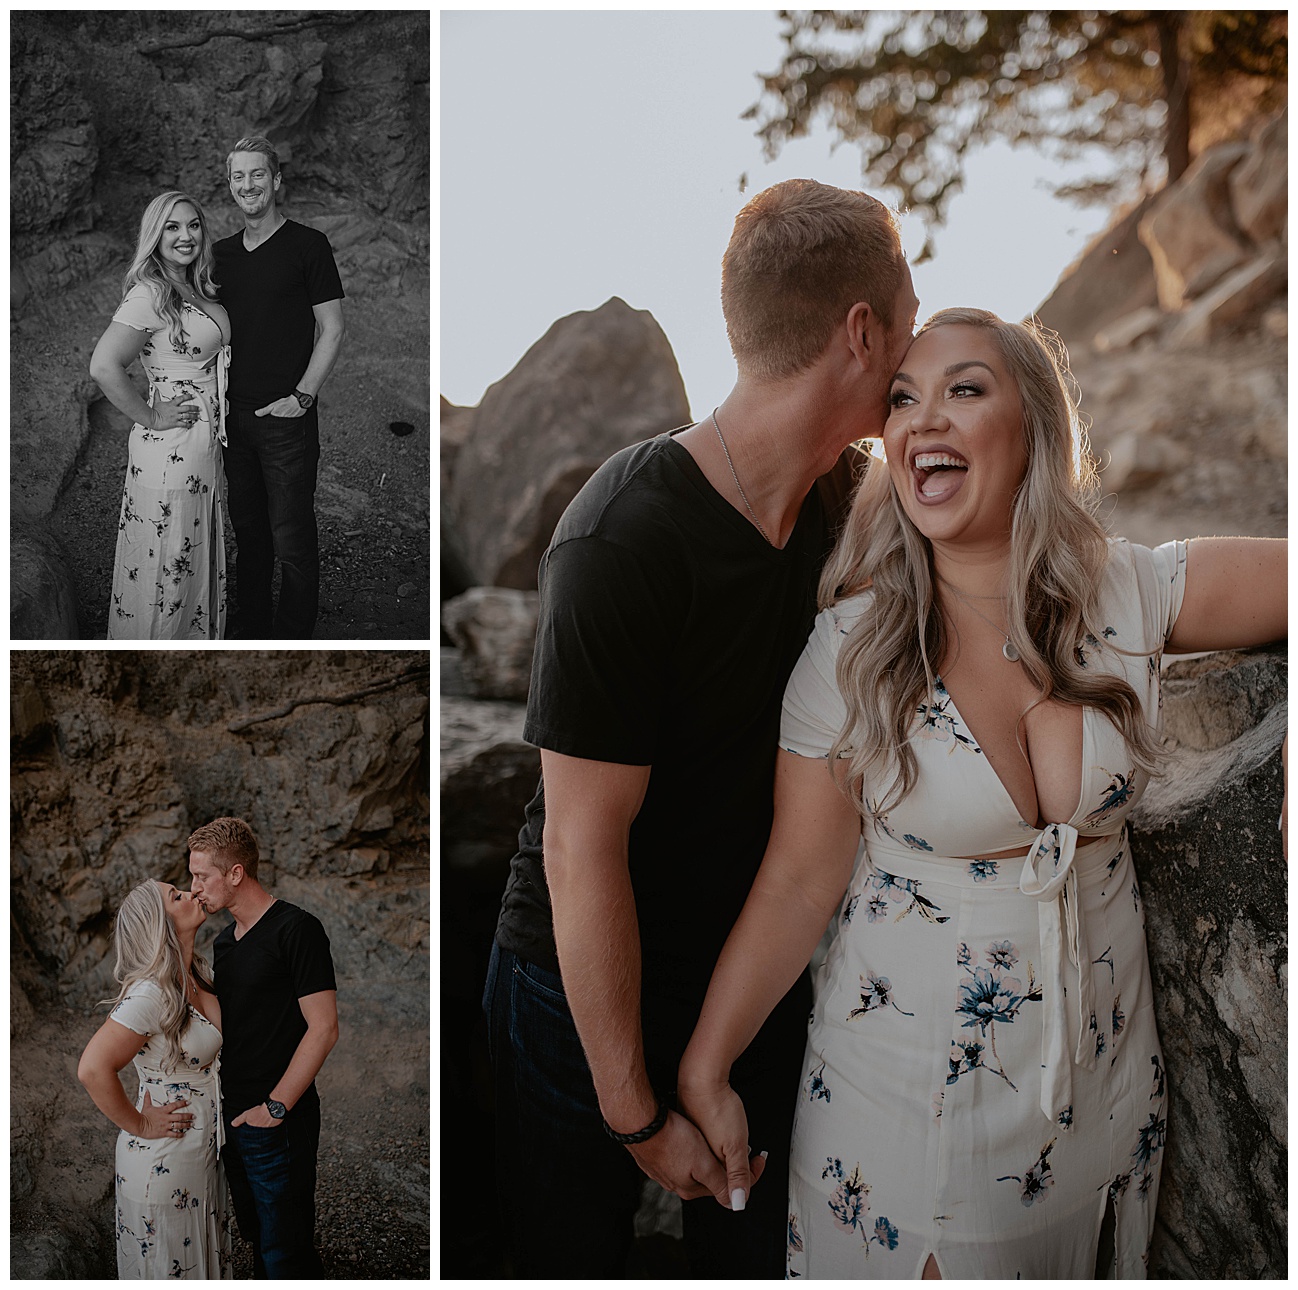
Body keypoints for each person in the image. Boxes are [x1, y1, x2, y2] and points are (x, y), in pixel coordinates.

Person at [677, 308, 1288, 1279]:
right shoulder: (852, 652)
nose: (924, 419)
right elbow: (796, 884)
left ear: (1034, 428)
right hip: (909, 1108)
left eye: (963, 389)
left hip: (1104, 1088)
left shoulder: (1126, 591)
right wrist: (702, 1068)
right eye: (903, 401)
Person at [484, 178, 920, 1277]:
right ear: (859, 333)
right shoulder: (622, 538)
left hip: (747, 978)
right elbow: (581, 851)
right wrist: (635, 1116)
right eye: (905, 324)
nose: (912, 355)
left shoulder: (846, 503)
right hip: (575, 990)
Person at [187, 817, 339, 1278]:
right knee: (258, 1237)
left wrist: (275, 1108)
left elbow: (324, 1028)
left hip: (277, 1119)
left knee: (284, 1252)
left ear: (236, 873)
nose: (194, 888)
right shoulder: (225, 942)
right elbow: (225, 1023)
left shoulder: (297, 929)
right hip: (232, 1116)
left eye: (201, 876)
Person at [212, 135, 346, 640]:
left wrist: (302, 397)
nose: (249, 185)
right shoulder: (220, 256)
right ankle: (250, 630)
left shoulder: (308, 246)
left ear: (276, 181)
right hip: (233, 419)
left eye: (258, 175)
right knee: (249, 534)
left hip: (286, 419)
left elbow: (332, 329)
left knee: (291, 538)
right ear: (230, 186)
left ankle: (292, 636)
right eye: (239, 177)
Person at [89, 190, 230, 640]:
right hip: (171, 446)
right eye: (172, 227)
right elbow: (103, 366)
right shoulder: (150, 294)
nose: (185, 236)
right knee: (166, 557)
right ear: (155, 235)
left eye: (192, 225)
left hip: (201, 446)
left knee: (185, 551)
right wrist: (151, 417)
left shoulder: (196, 286)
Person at [78, 879, 232, 1278]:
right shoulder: (151, 994)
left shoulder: (199, 972)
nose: (189, 893)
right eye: (175, 896)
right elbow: (93, 1068)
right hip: (163, 1162)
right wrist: (141, 1122)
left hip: (201, 1156)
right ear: (159, 924)